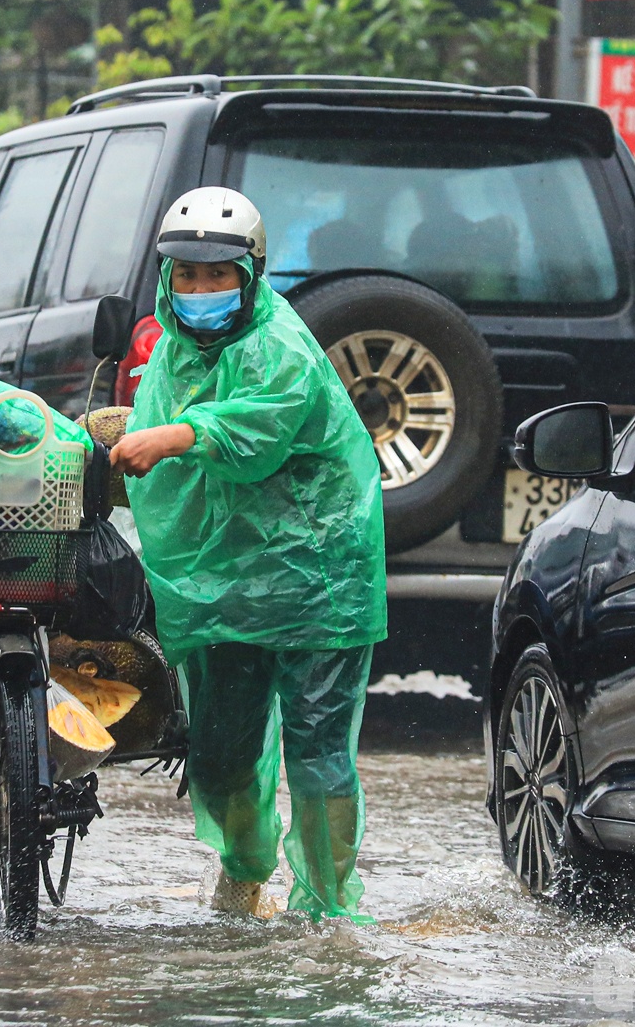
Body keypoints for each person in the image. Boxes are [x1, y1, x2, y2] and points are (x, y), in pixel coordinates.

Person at [110, 187, 388, 921]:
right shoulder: (170, 356)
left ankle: (328, 909)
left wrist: (173, 436)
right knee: (222, 752)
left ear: (251, 274)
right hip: (226, 586)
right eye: (188, 276)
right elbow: (151, 450)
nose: (201, 290)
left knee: (319, 749)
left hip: (317, 578)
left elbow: (251, 436)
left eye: (219, 275)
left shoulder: (280, 345)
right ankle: (243, 875)